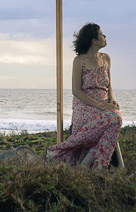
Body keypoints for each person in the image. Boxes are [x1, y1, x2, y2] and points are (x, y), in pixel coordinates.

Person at [45, 22, 123, 169]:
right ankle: (96, 167)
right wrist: (100, 105)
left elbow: (109, 85)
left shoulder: (106, 58)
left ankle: (87, 166)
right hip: (85, 108)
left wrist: (112, 99)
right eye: (101, 34)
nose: (105, 36)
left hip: (105, 108)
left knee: (115, 118)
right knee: (116, 118)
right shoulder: (79, 61)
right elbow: (76, 91)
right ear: (94, 40)